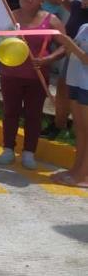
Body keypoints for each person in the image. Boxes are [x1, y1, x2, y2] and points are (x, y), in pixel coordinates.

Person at [0, 0, 66, 170]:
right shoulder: (11, 17)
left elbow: (66, 45)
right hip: (10, 75)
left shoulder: (51, 20)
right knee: (10, 112)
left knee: (33, 115)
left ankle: (29, 153)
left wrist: (48, 59)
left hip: (37, 76)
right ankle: (8, 149)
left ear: (42, 0)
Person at [53, 29, 88, 187]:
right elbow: (71, 54)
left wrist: (70, 44)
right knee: (80, 129)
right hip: (76, 81)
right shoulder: (84, 27)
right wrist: (67, 46)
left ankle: (83, 174)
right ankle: (76, 169)